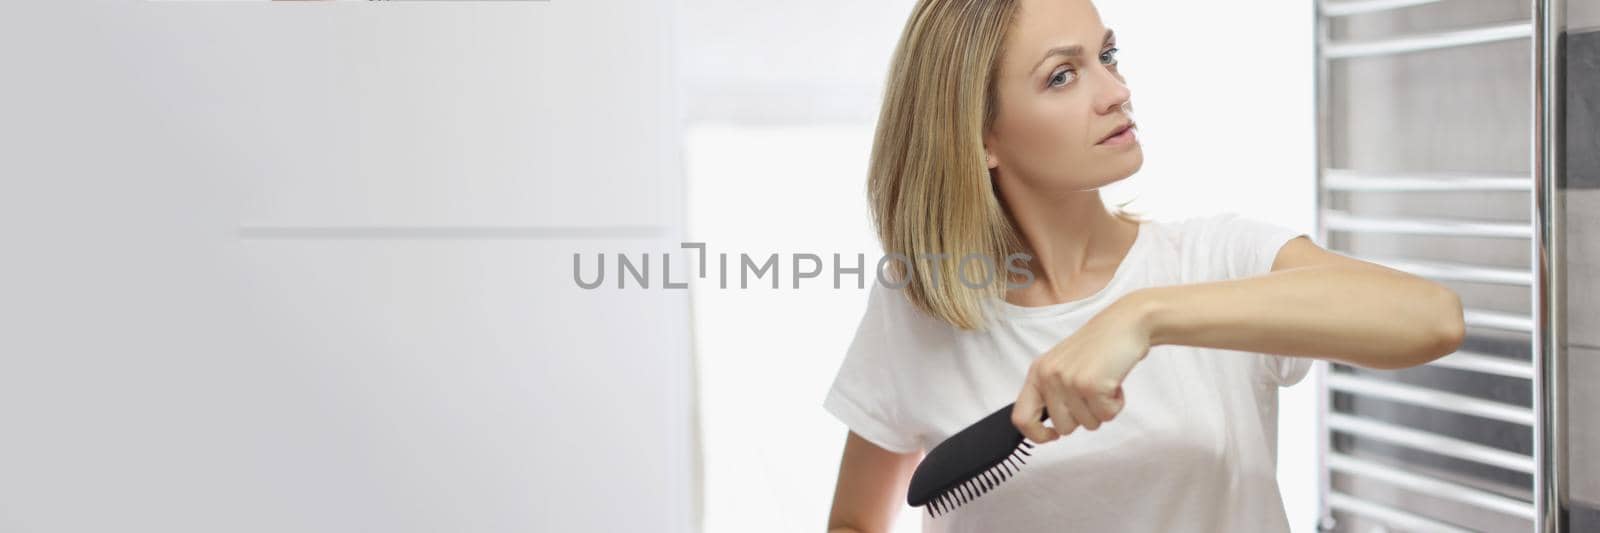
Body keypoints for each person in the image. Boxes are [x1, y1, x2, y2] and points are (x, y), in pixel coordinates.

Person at [821, 0, 1467, 532]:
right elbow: (854, 520)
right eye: (1062, 76)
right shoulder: (924, 303)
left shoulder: (1215, 258)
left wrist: (1143, 316)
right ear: (980, 135)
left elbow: (1433, 318)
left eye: (1107, 56)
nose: (1117, 91)